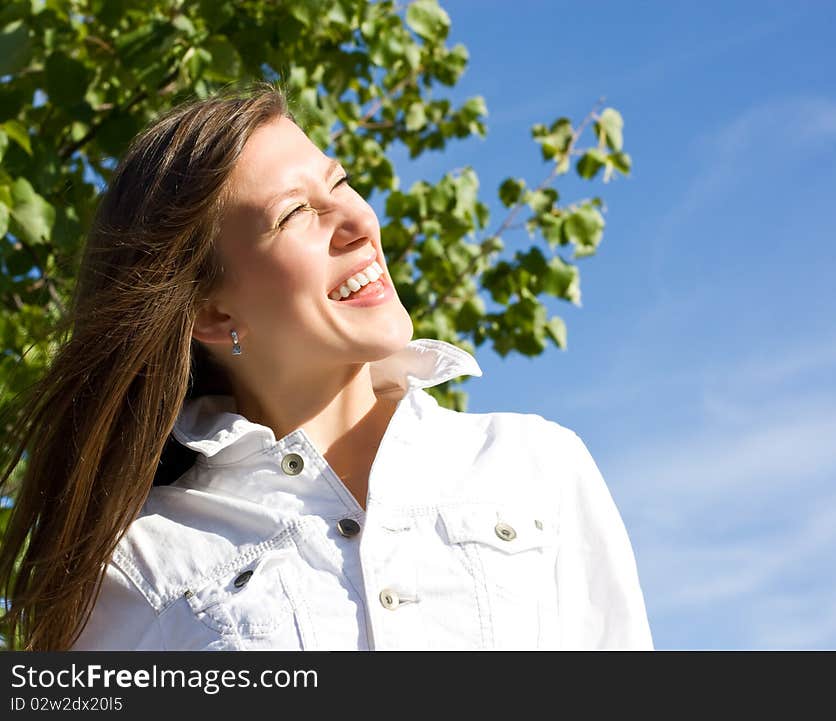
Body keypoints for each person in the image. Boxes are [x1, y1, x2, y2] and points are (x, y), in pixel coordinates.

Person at [0, 83, 653, 651]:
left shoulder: (536, 464)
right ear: (214, 316)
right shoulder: (142, 567)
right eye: (294, 215)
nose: (356, 221)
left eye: (338, 185)